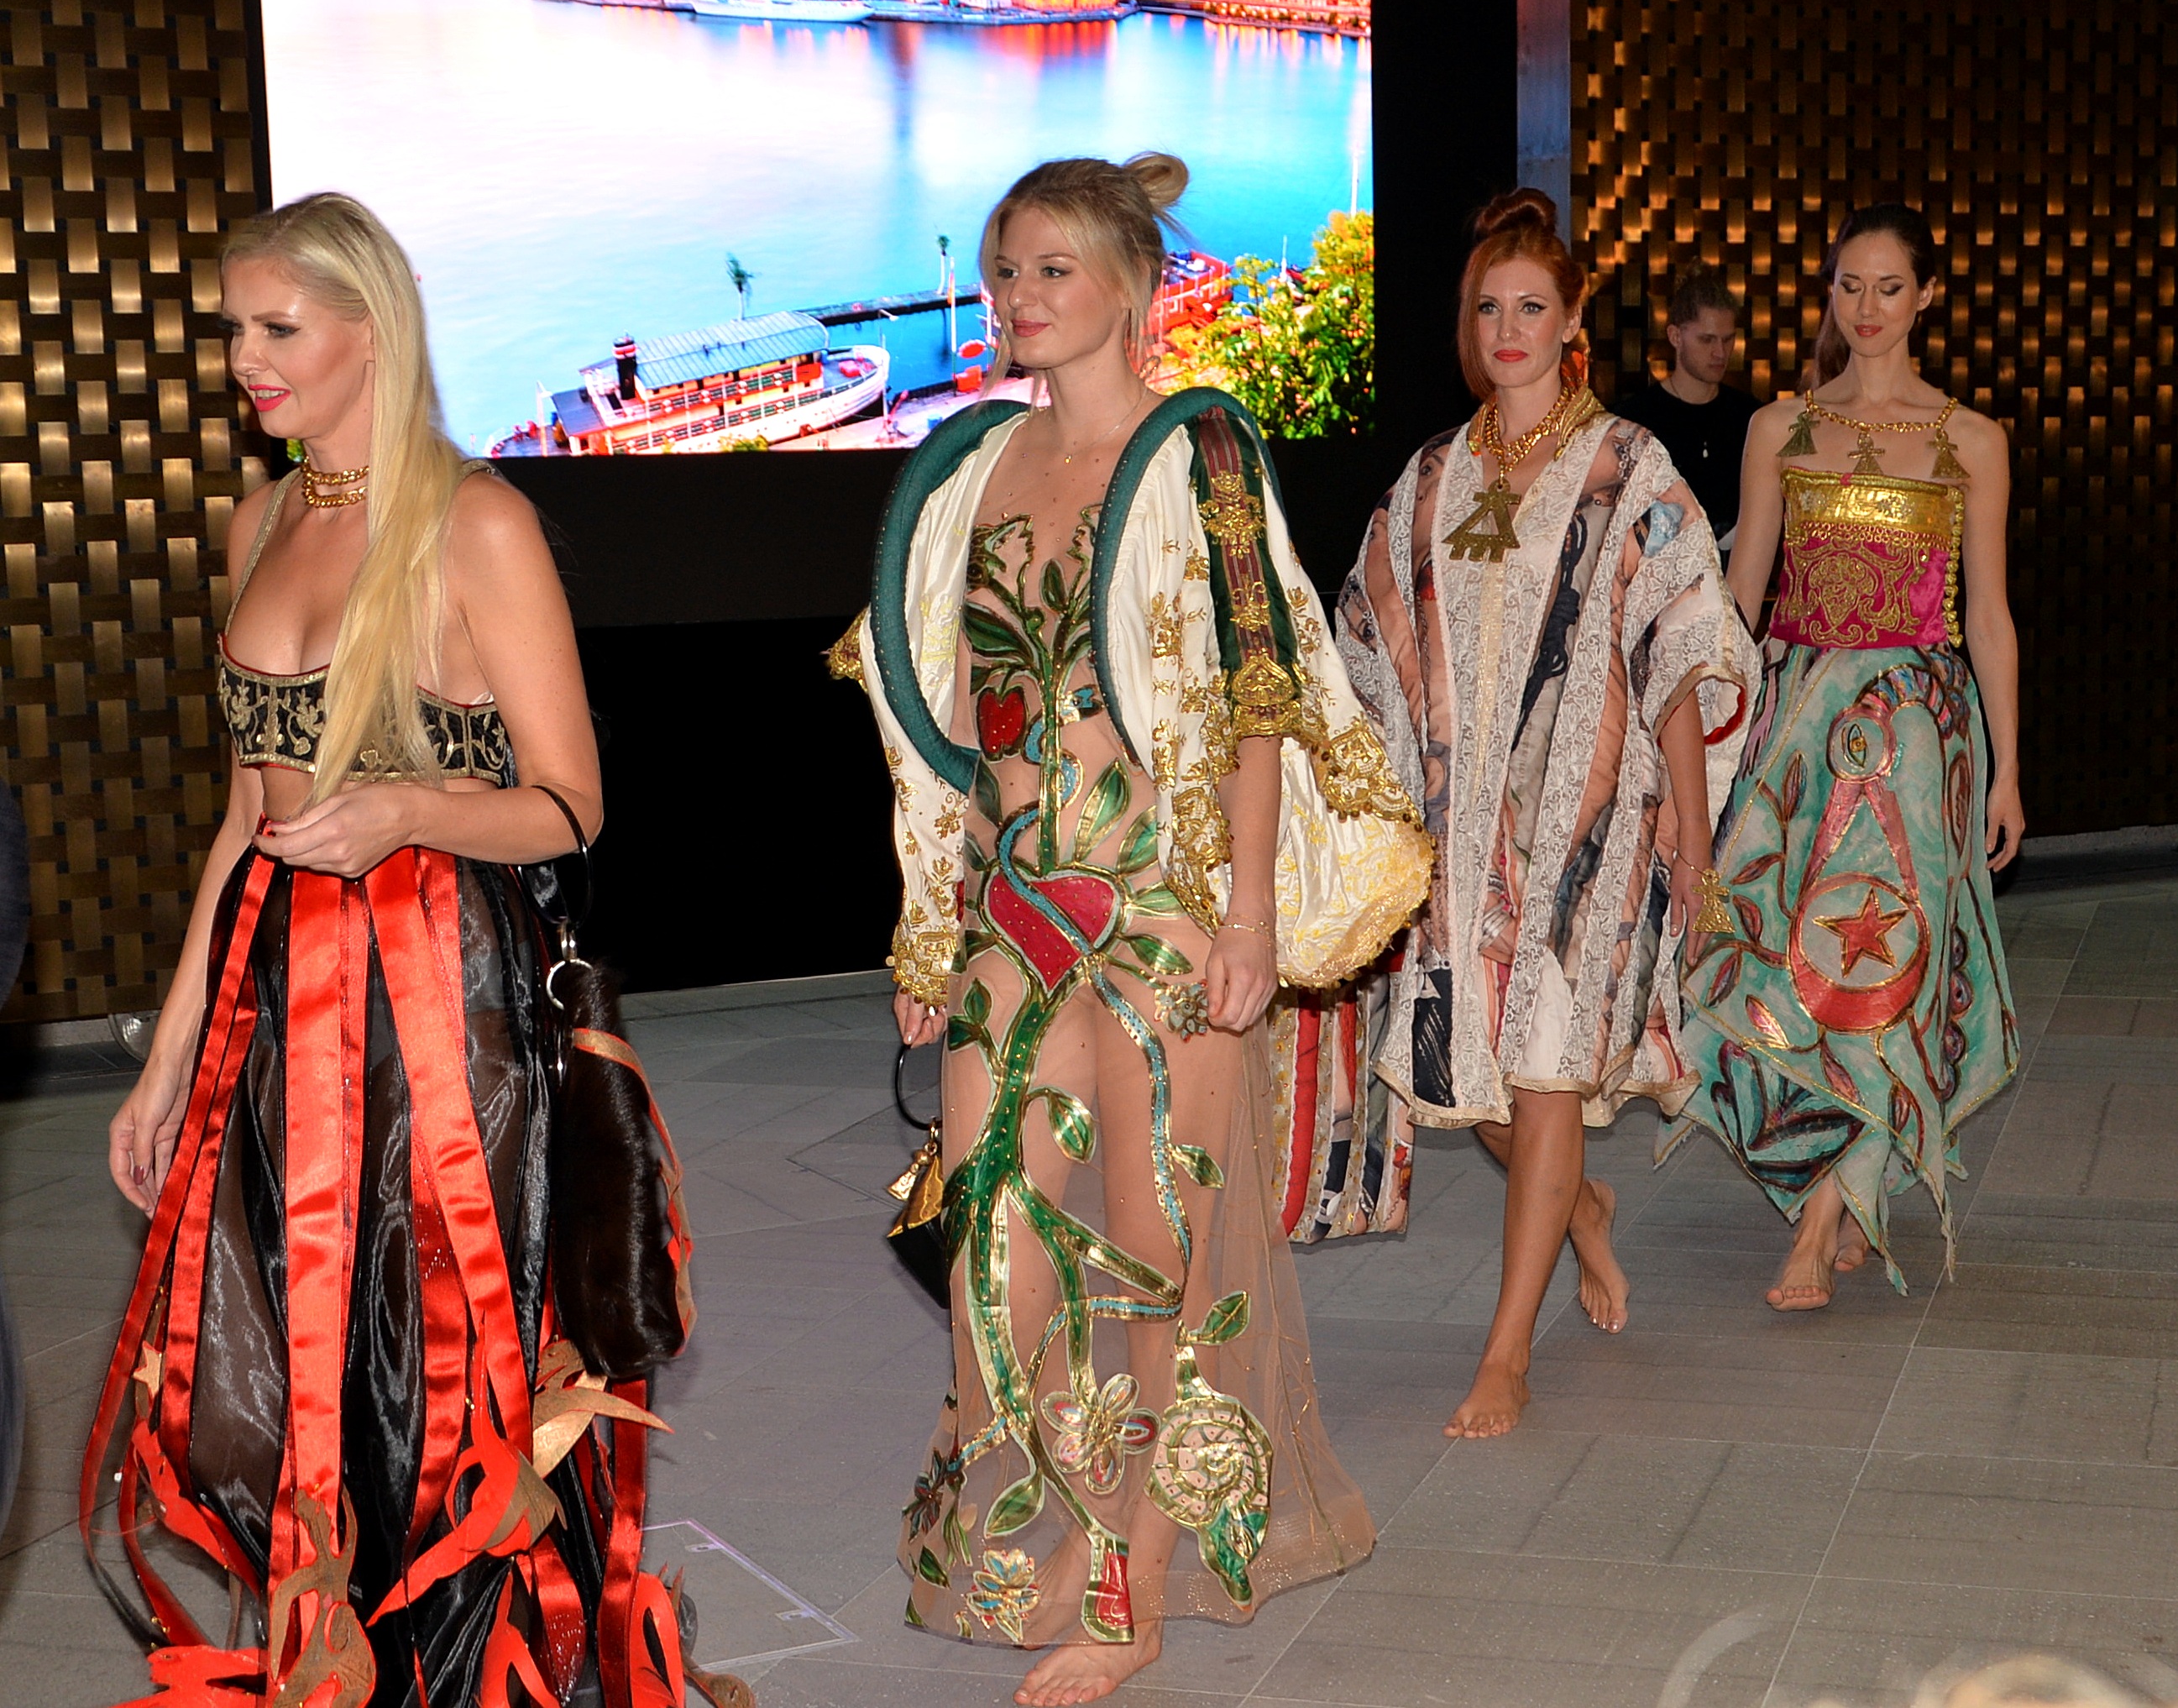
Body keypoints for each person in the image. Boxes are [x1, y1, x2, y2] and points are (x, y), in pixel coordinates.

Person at [81, 193, 697, 1707]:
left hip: (440, 997)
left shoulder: (476, 523)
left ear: (372, 331)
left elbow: (572, 802)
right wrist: (166, 1059)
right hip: (274, 991)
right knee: (285, 1366)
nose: (245, 359)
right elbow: (245, 817)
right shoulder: (261, 520)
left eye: (276, 328)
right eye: (234, 330)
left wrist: (411, 807)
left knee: (437, 1371)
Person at [833, 154, 1430, 1706]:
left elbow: (1256, 690)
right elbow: (941, 721)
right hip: (1017, 906)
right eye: (1003, 271)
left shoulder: (1198, 448)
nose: (1018, 298)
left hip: (1164, 908)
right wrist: (930, 924)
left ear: (1131, 282)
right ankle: (1052, 1534)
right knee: (996, 1248)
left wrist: (1248, 914)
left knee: (1161, 1254)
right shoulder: (968, 466)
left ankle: (1133, 1587)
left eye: (1051, 269)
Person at [1331, 190, 1757, 1439]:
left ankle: (1506, 1351)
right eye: (1487, 309)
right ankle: (1579, 1208)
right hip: (1457, 839)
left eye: (1530, 308)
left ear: (1571, 321)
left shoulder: (1628, 465)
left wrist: (1689, 832)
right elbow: (1364, 642)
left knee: (1549, 1070)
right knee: (1480, 1093)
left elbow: (1678, 650)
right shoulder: (1431, 475)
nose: (1506, 330)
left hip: (1591, 830)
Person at [1667, 202, 2021, 1310]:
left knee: (1879, 962)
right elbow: (1742, 596)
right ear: (1828, 294)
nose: (1866, 308)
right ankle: (1849, 1176)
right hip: (1797, 730)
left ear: (1925, 297)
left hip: (1916, 737)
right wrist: (1698, 736)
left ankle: (1820, 1226)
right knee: (1782, 956)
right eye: (1848, 286)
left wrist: (2008, 769)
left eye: (1888, 287)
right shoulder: (1780, 428)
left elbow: (1987, 614)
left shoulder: (1969, 439)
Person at [1614, 267, 1762, 552]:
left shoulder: (1752, 417)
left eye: (1728, 339)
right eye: (1706, 340)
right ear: (1675, 336)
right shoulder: (1634, 420)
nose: (1720, 352)